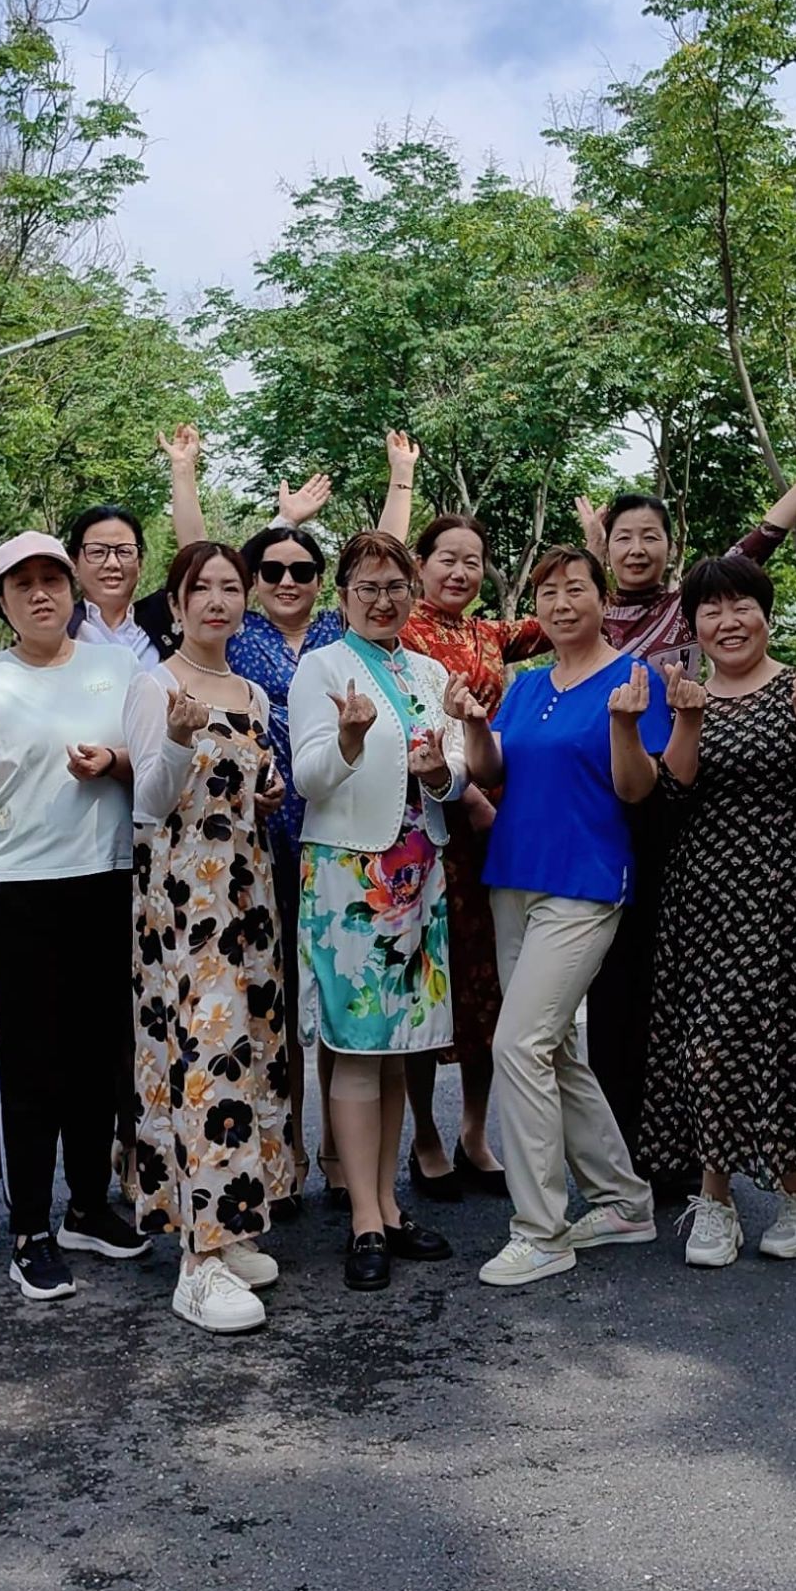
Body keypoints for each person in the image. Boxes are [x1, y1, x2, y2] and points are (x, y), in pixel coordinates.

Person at [574, 411, 796, 1175]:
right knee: (620, 988)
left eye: (649, 536)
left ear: (670, 546)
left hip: (687, 810)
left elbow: (770, 530)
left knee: (700, 1002)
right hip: (610, 813)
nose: (636, 549)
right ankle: (629, 1156)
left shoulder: (695, 603)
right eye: (621, 538)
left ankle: (707, 1167)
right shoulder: (588, 617)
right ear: (603, 550)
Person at [0, 531, 190, 1303]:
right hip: (19, 883)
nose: (40, 594)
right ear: (2, 601)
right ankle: (29, 1229)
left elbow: (153, 766)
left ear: (73, 589)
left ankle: (85, 1206)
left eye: (52, 579)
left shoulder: (117, 670)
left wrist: (113, 763)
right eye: (23, 585)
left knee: (96, 1054)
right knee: (32, 1061)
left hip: (106, 874)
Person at [167, 424, 419, 1203]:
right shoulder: (238, 634)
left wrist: (401, 479)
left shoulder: (343, 633)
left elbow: (383, 564)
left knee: (339, 995)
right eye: (270, 570)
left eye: (302, 569)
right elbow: (198, 560)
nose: (286, 579)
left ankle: (343, 1153)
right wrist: (184, 476)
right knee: (274, 997)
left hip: (338, 827)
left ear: (323, 583)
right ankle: (289, 1146)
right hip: (255, 831)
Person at [609, 556, 796, 1269]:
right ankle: (718, 1200)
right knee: (709, 1046)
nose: (728, 621)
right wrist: (688, 719)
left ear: (765, 613)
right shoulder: (686, 695)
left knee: (785, 1045)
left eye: (741, 605)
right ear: (693, 624)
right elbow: (673, 792)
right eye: (711, 610)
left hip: (788, 900)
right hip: (704, 902)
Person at [449, 546, 671, 1289]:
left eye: (576, 589)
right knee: (552, 1050)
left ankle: (540, 1230)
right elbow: (492, 770)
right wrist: (474, 725)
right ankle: (623, 1201)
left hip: (585, 883)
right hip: (513, 877)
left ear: (602, 600)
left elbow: (637, 788)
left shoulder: (634, 680)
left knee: (518, 1044)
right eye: (547, 593)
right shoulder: (528, 685)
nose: (561, 603)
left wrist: (625, 726)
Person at [129, 540, 295, 1336]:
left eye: (232, 587)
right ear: (177, 602)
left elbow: (243, 788)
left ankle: (233, 1226)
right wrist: (175, 739)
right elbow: (149, 801)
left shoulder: (253, 693)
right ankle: (197, 1261)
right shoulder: (155, 685)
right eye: (203, 588)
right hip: (183, 899)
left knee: (253, 1051)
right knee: (203, 1057)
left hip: (248, 889)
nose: (219, 601)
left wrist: (265, 792)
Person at [288, 531, 461, 1291]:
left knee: (397, 1048)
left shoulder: (429, 670)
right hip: (350, 875)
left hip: (418, 870)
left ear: (412, 593)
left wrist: (443, 770)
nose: (383, 600)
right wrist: (350, 740)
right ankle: (363, 1216)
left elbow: (453, 778)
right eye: (368, 587)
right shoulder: (322, 666)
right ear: (343, 596)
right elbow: (307, 777)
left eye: (395, 586)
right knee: (358, 1046)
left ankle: (388, 1205)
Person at [0, 431, 341, 666]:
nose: (112, 563)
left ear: (141, 559)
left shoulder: (165, 619)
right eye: (97, 552)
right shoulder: (53, 618)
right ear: (74, 563)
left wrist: (284, 522)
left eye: (124, 551)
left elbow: (212, 564)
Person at [396, 512, 542, 1202]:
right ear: (420, 564)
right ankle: (424, 1134)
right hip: (431, 829)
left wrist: (598, 551)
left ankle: (475, 1133)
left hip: (497, 830)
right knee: (429, 983)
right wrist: (470, 800)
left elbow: (566, 616)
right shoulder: (401, 633)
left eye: (472, 561)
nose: (459, 572)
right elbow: (410, 727)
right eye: (446, 559)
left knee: (490, 987)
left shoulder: (489, 635)